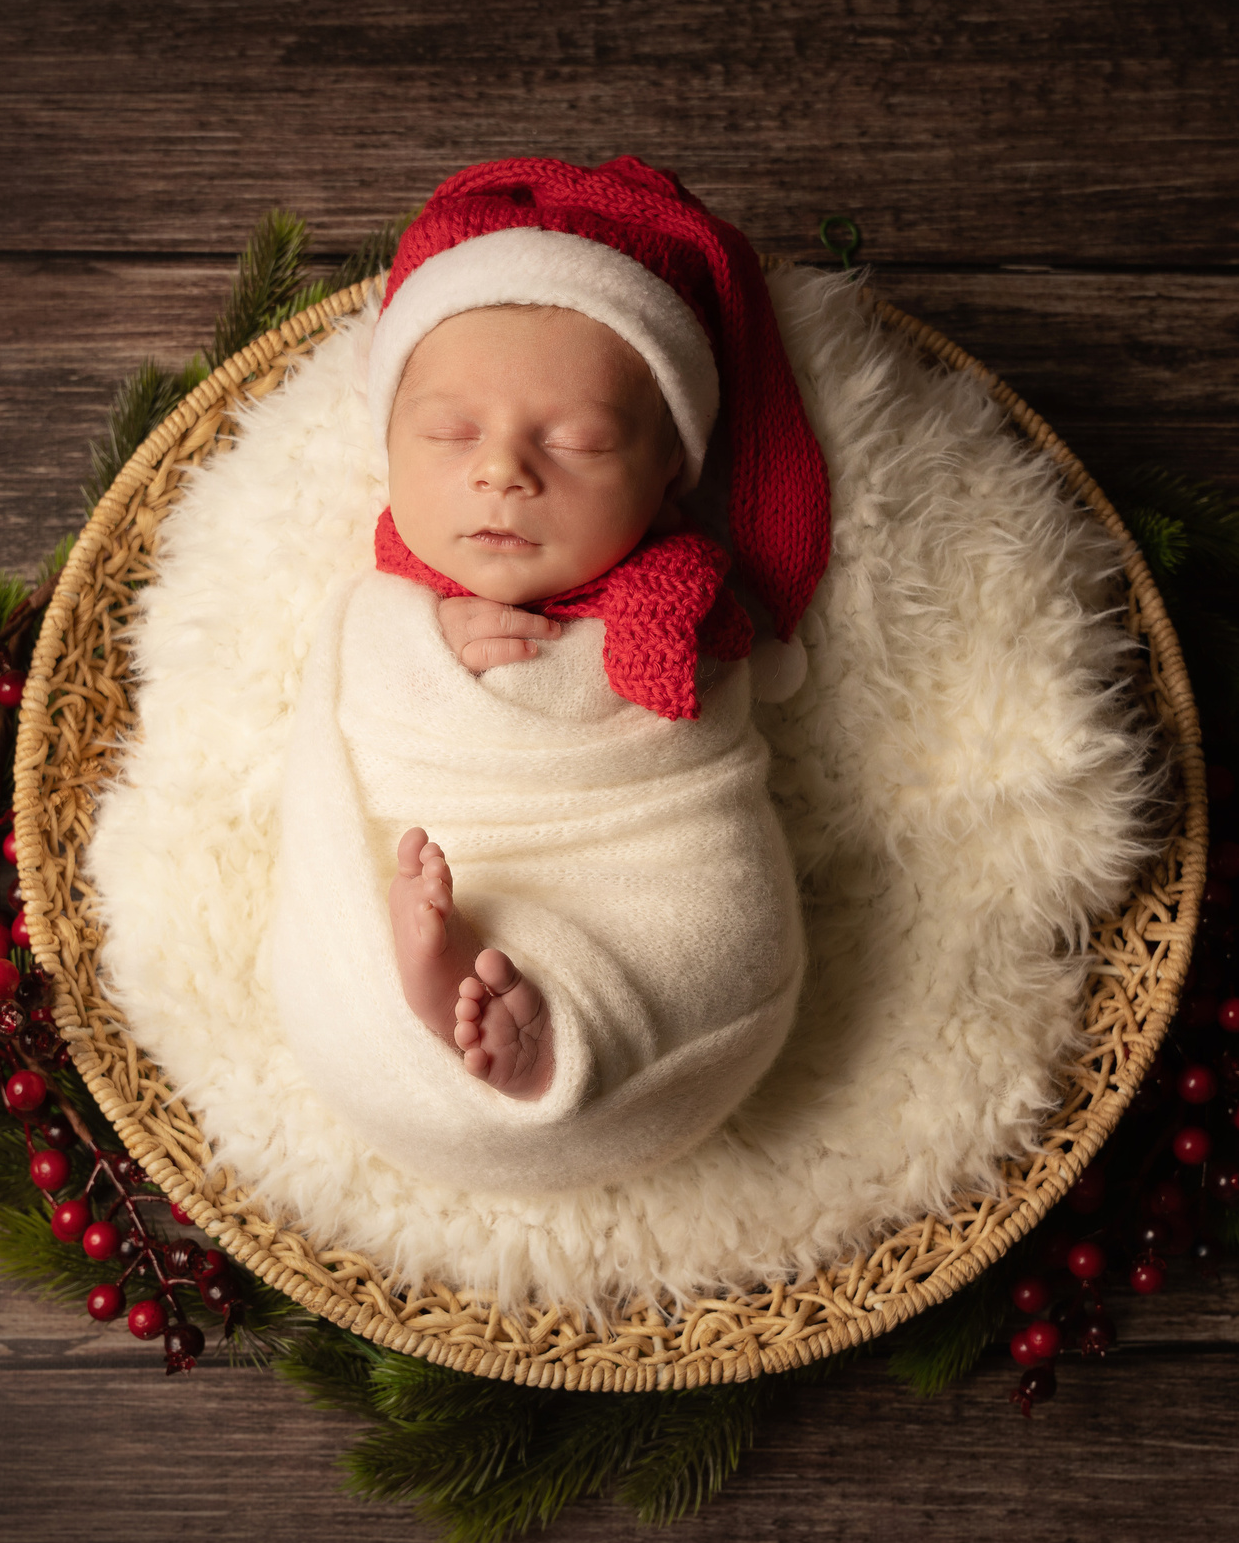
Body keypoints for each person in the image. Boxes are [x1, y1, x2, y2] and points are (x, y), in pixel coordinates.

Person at [265, 155, 831, 1194]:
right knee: (370, 944)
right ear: (389, 442)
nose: (501, 471)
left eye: (574, 442)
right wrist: (418, 655)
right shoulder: (387, 609)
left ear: (670, 473)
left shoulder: (688, 606)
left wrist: (604, 675)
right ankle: (447, 993)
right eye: (448, 433)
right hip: (456, 837)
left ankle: (540, 1022)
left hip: (649, 870)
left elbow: (696, 757)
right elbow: (349, 695)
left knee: (722, 936)